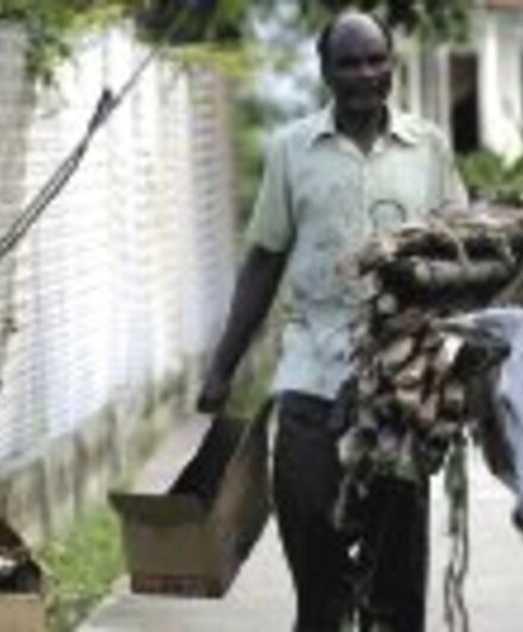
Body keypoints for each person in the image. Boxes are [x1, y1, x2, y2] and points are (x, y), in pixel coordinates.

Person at [197, 9, 467, 631]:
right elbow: (263, 262)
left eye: (376, 60)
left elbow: (462, 254)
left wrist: (464, 360)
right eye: (349, 63)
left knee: (397, 573)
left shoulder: (427, 147)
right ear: (325, 71)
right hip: (311, 375)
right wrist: (222, 367)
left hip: (401, 390)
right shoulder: (293, 150)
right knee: (311, 537)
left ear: (392, 67)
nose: (365, 74)